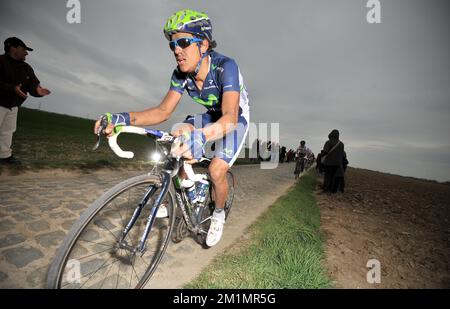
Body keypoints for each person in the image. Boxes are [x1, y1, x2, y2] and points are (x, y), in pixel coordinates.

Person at [94, 9, 250, 247]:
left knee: (217, 170)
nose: (177, 50)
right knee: (179, 133)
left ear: (204, 44)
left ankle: (218, 213)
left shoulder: (225, 66)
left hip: (235, 117)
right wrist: (120, 118)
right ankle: (189, 186)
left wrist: (201, 136)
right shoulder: (181, 75)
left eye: (184, 42)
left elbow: (229, 117)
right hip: (211, 115)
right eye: (173, 45)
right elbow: (162, 112)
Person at [0, 37, 51, 164]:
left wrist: (38, 91)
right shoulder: (0, 61)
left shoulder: (26, 67)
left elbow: (33, 83)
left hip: (13, 105)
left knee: (8, 131)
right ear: (13, 48)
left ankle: (4, 156)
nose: (26, 53)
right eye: (23, 49)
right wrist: (12, 89)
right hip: (0, 103)